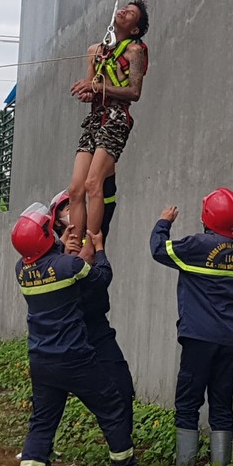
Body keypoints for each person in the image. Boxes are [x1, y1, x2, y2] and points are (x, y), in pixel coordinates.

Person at [11, 202, 136, 466]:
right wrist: (100, 249)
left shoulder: (21, 269)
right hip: (76, 359)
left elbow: (47, 261)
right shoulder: (69, 265)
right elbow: (101, 278)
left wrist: (62, 247)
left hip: (41, 363)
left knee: (42, 423)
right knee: (113, 408)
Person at [149, 188, 233, 466]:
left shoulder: (196, 246)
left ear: (207, 216)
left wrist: (163, 222)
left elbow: (159, 249)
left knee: (188, 402)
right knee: (222, 404)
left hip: (198, 339)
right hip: (230, 339)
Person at [49, 177, 135, 439]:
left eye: (75, 205)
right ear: (56, 221)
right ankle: (40, 454)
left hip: (96, 328)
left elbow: (105, 203)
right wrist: (64, 255)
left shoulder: (94, 236)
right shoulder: (49, 252)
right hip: (64, 334)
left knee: (121, 386)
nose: (74, 211)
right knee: (49, 404)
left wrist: (105, 173)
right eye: (66, 208)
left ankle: (122, 450)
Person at [68, 0, 149, 263]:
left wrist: (98, 88)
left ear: (135, 29)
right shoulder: (94, 51)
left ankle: (92, 245)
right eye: (124, 8)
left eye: (131, 13)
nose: (124, 11)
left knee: (94, 183)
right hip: (96, 118)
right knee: (75, 189)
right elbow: (92, 88)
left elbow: (134, 92)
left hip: (116, 118)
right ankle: (75, 243)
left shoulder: (134, 51)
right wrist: (86, 91)